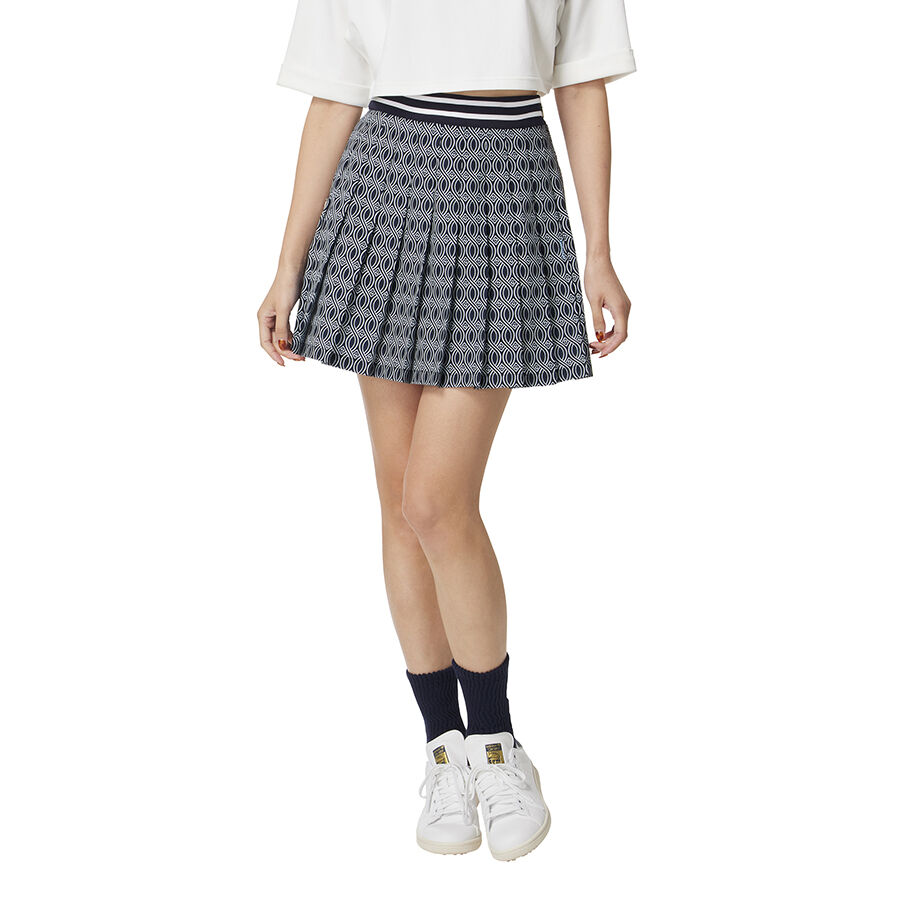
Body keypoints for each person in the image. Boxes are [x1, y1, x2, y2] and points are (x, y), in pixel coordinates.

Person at [257, 0, 635, 861]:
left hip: (505, 186)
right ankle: (443, 748)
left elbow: (581, 81)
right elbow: (334, 93)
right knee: (401, 507)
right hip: (384, 185)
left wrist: (600, 250)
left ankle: (498, 745)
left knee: (436, 503)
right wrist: (286, 267)